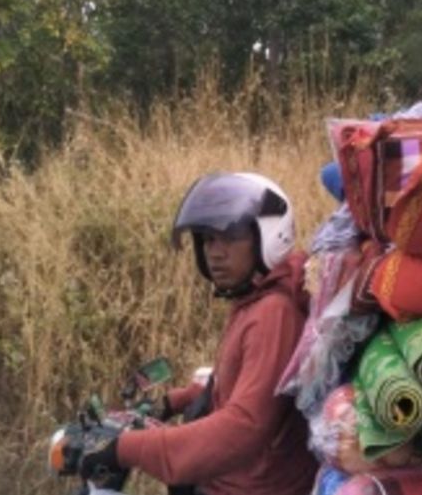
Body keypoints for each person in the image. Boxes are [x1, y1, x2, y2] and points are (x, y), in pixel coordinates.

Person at [80, 172, 318, 495]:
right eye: (207, 240)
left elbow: (243, 427)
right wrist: (172, 401)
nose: (215, 252)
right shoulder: (254, 301)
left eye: (230, 237)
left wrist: (122, 449)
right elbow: (235, 384)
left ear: (269, 235)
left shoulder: (274, 313)